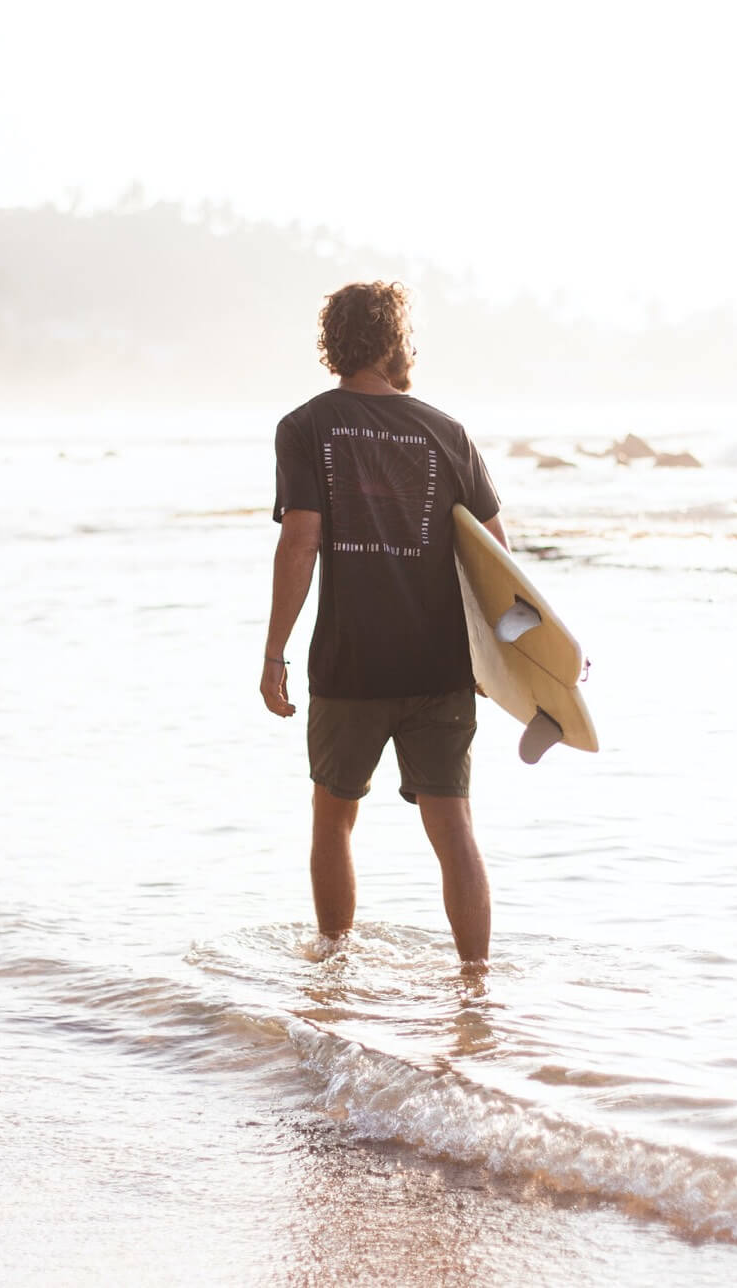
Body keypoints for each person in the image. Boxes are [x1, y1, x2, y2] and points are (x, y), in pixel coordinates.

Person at [259, 281, 509, 964]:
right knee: (454, 828)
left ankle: (334, 973)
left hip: (351, 664)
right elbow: (497, 559)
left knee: (334, 820)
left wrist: (275, 652)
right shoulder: (448, 432)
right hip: (440, 666)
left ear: (332, 343)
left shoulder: (306, 426)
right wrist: (503, 661)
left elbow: (300, 541)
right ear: (395, 341)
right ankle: (476, 985)